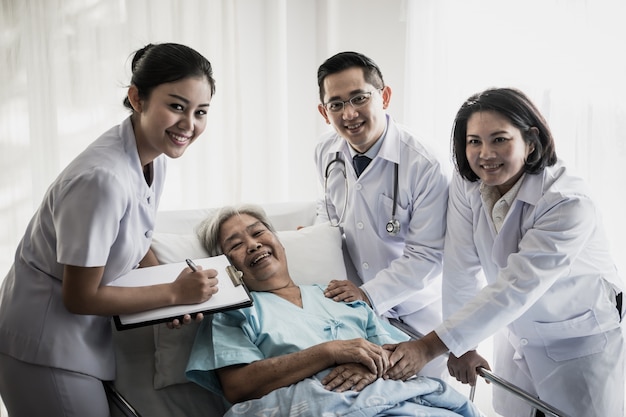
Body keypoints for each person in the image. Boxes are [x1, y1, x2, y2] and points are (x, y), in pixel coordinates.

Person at [0, 43, 220, 417]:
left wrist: (173, 293)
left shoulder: (153, 156)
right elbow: (79, 297)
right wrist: (170, 292)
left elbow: (137, 240)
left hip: (81, 341)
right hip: (42, 345)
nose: (189, 124)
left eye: (201, 112)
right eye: (177, 106)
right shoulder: (102, 179)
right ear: (137, 97)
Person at [383, 87, 625, 417]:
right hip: (517, 333)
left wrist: (428, 348)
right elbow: (460, 268)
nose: (485, 154)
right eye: (474, 141)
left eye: (499, 139)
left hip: (578, 340)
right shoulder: (469, 184)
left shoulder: (567, 202)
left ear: (531, 140)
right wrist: (464, 345)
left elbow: (517, 285)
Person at [185, 204, 482, 417]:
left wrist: (369, 367)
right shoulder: (232, 314)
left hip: (396, 403)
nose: (252, 245)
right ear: (226, 266)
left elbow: (396, 354)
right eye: (236, 244)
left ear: (279, 243)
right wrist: (329, 352)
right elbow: (238, 388)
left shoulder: (338, 295)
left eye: (258, 232)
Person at [313, 51, 449, 378]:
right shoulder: (325, 151)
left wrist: (369, 294)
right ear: (323, 111)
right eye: (336, 104)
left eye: (360, 98)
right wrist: (313, 238)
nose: (349, 113)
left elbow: (428, 255)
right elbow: (330, 210)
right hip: (357, 317)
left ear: (384, 96)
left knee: (427, 405)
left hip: (417, 318)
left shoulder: (425, 163)